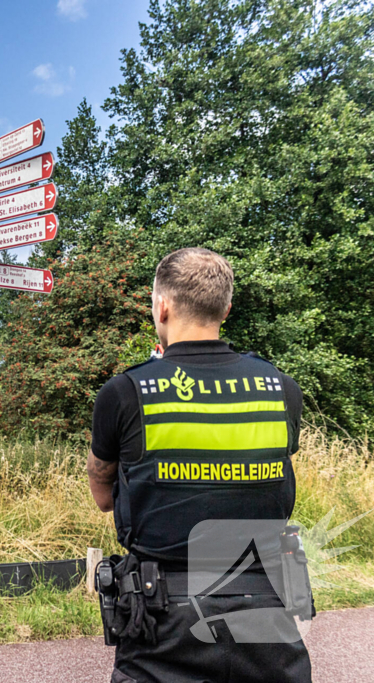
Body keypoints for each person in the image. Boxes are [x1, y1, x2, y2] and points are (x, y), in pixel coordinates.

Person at [88, 247, 312, 683]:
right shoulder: (280, 388)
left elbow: (102, 494)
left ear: (162, 306)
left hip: (162, 620)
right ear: (225, 309)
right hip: (266, 611)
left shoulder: (125, 391)